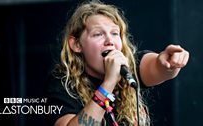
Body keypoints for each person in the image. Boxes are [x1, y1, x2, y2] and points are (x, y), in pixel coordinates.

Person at [44, 0, 189, 126]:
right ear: (76, 45)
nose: (109, 41)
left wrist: (170, 62)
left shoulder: (129, 66)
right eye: (98, 34)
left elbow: (160, 68)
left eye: (114, 33)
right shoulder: (62, 84)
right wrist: (109, 83)